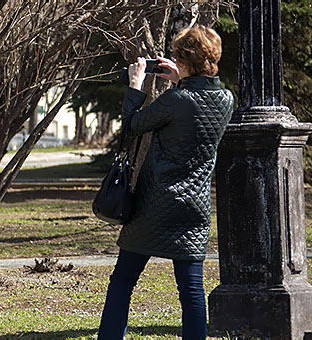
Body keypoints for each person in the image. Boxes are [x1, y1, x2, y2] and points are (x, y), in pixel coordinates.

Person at [96, 25, 233, 340]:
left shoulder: (177, 99)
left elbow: (132, 126)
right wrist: (182, 77)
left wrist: (135, 84)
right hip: (193, 208)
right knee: (191, 290)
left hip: (154, 204)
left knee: (123, 281)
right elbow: (205, 94)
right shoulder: (225, 99)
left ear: (184, 60)